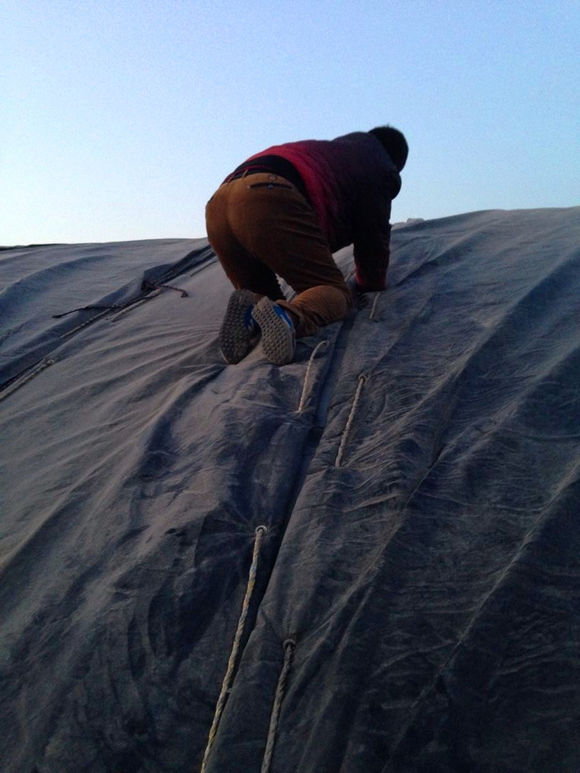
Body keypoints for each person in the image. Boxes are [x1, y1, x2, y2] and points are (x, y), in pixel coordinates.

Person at [205, 126, 408, 365]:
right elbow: (373, 236)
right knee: (333, 292)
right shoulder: (378, 166)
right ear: (395, 162)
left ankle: (250, 308)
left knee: (264, 300)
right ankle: (290, 316)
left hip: (218, 205)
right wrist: (369, 285)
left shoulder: (332, 152)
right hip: (269, 196)